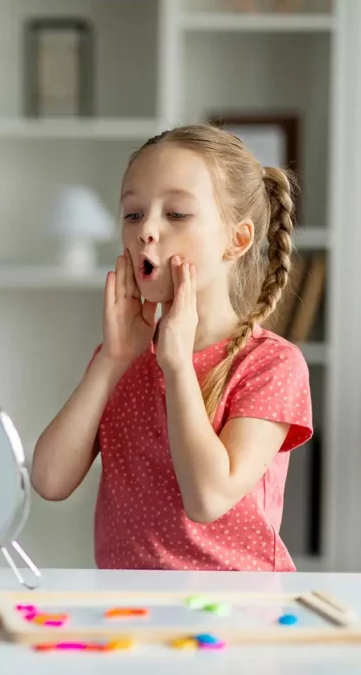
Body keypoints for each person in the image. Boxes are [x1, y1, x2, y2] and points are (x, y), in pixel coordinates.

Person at [31, 124, 313, 572]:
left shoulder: (271, 364)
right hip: (131, 603)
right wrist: (111, 360)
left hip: (238, 604)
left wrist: (178, 365)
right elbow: (49, 480)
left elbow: (207, 499)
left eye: (176, 214)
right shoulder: (122, 357)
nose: (147, 230)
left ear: (237, 240)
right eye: (133, 214)